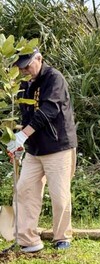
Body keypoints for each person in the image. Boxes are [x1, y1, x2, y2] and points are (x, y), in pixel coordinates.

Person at [6, 48, 77, 253]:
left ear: (39, 58)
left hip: (58, 146)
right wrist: (18, 142)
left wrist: (23, 135)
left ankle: (62, 237)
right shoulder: (24, 84)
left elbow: (48, 111)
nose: (25, 70)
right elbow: (26, 116)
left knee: (59, 195)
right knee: (24, 189)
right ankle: (28, 239)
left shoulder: (54, 78)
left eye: (28, 65)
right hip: (34, 149)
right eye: (21, 67)